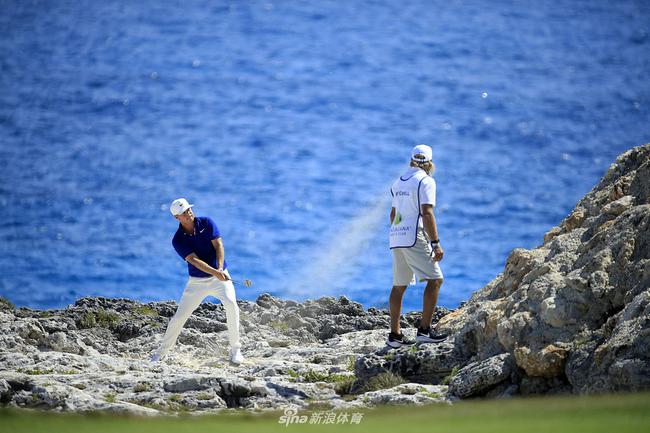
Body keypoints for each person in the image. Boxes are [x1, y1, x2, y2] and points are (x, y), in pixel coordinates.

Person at [151, 198, 244, 364]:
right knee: (179, 318)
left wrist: (220, 269)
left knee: (231, 305)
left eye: (188, 209)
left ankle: (235, 350)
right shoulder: (178, 239)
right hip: (197, 282)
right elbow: (194, 260)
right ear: (176, 218)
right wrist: (215, 272)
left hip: (220, 276)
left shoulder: (206, 222)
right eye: (183, 213)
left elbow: (219, 245)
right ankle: (160, 354)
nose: (188, 213)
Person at [387, 144, 447, 348]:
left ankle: (395, 336)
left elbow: (393, 215)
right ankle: (424, 330)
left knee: (399, 284)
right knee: (436, 280)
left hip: (396, 236)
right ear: (429, 162)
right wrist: (436, 244)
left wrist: (399, 232)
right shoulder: (426, 181)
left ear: (412, 159)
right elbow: (427, 212)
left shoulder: (399, 181)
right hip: (414, 236)